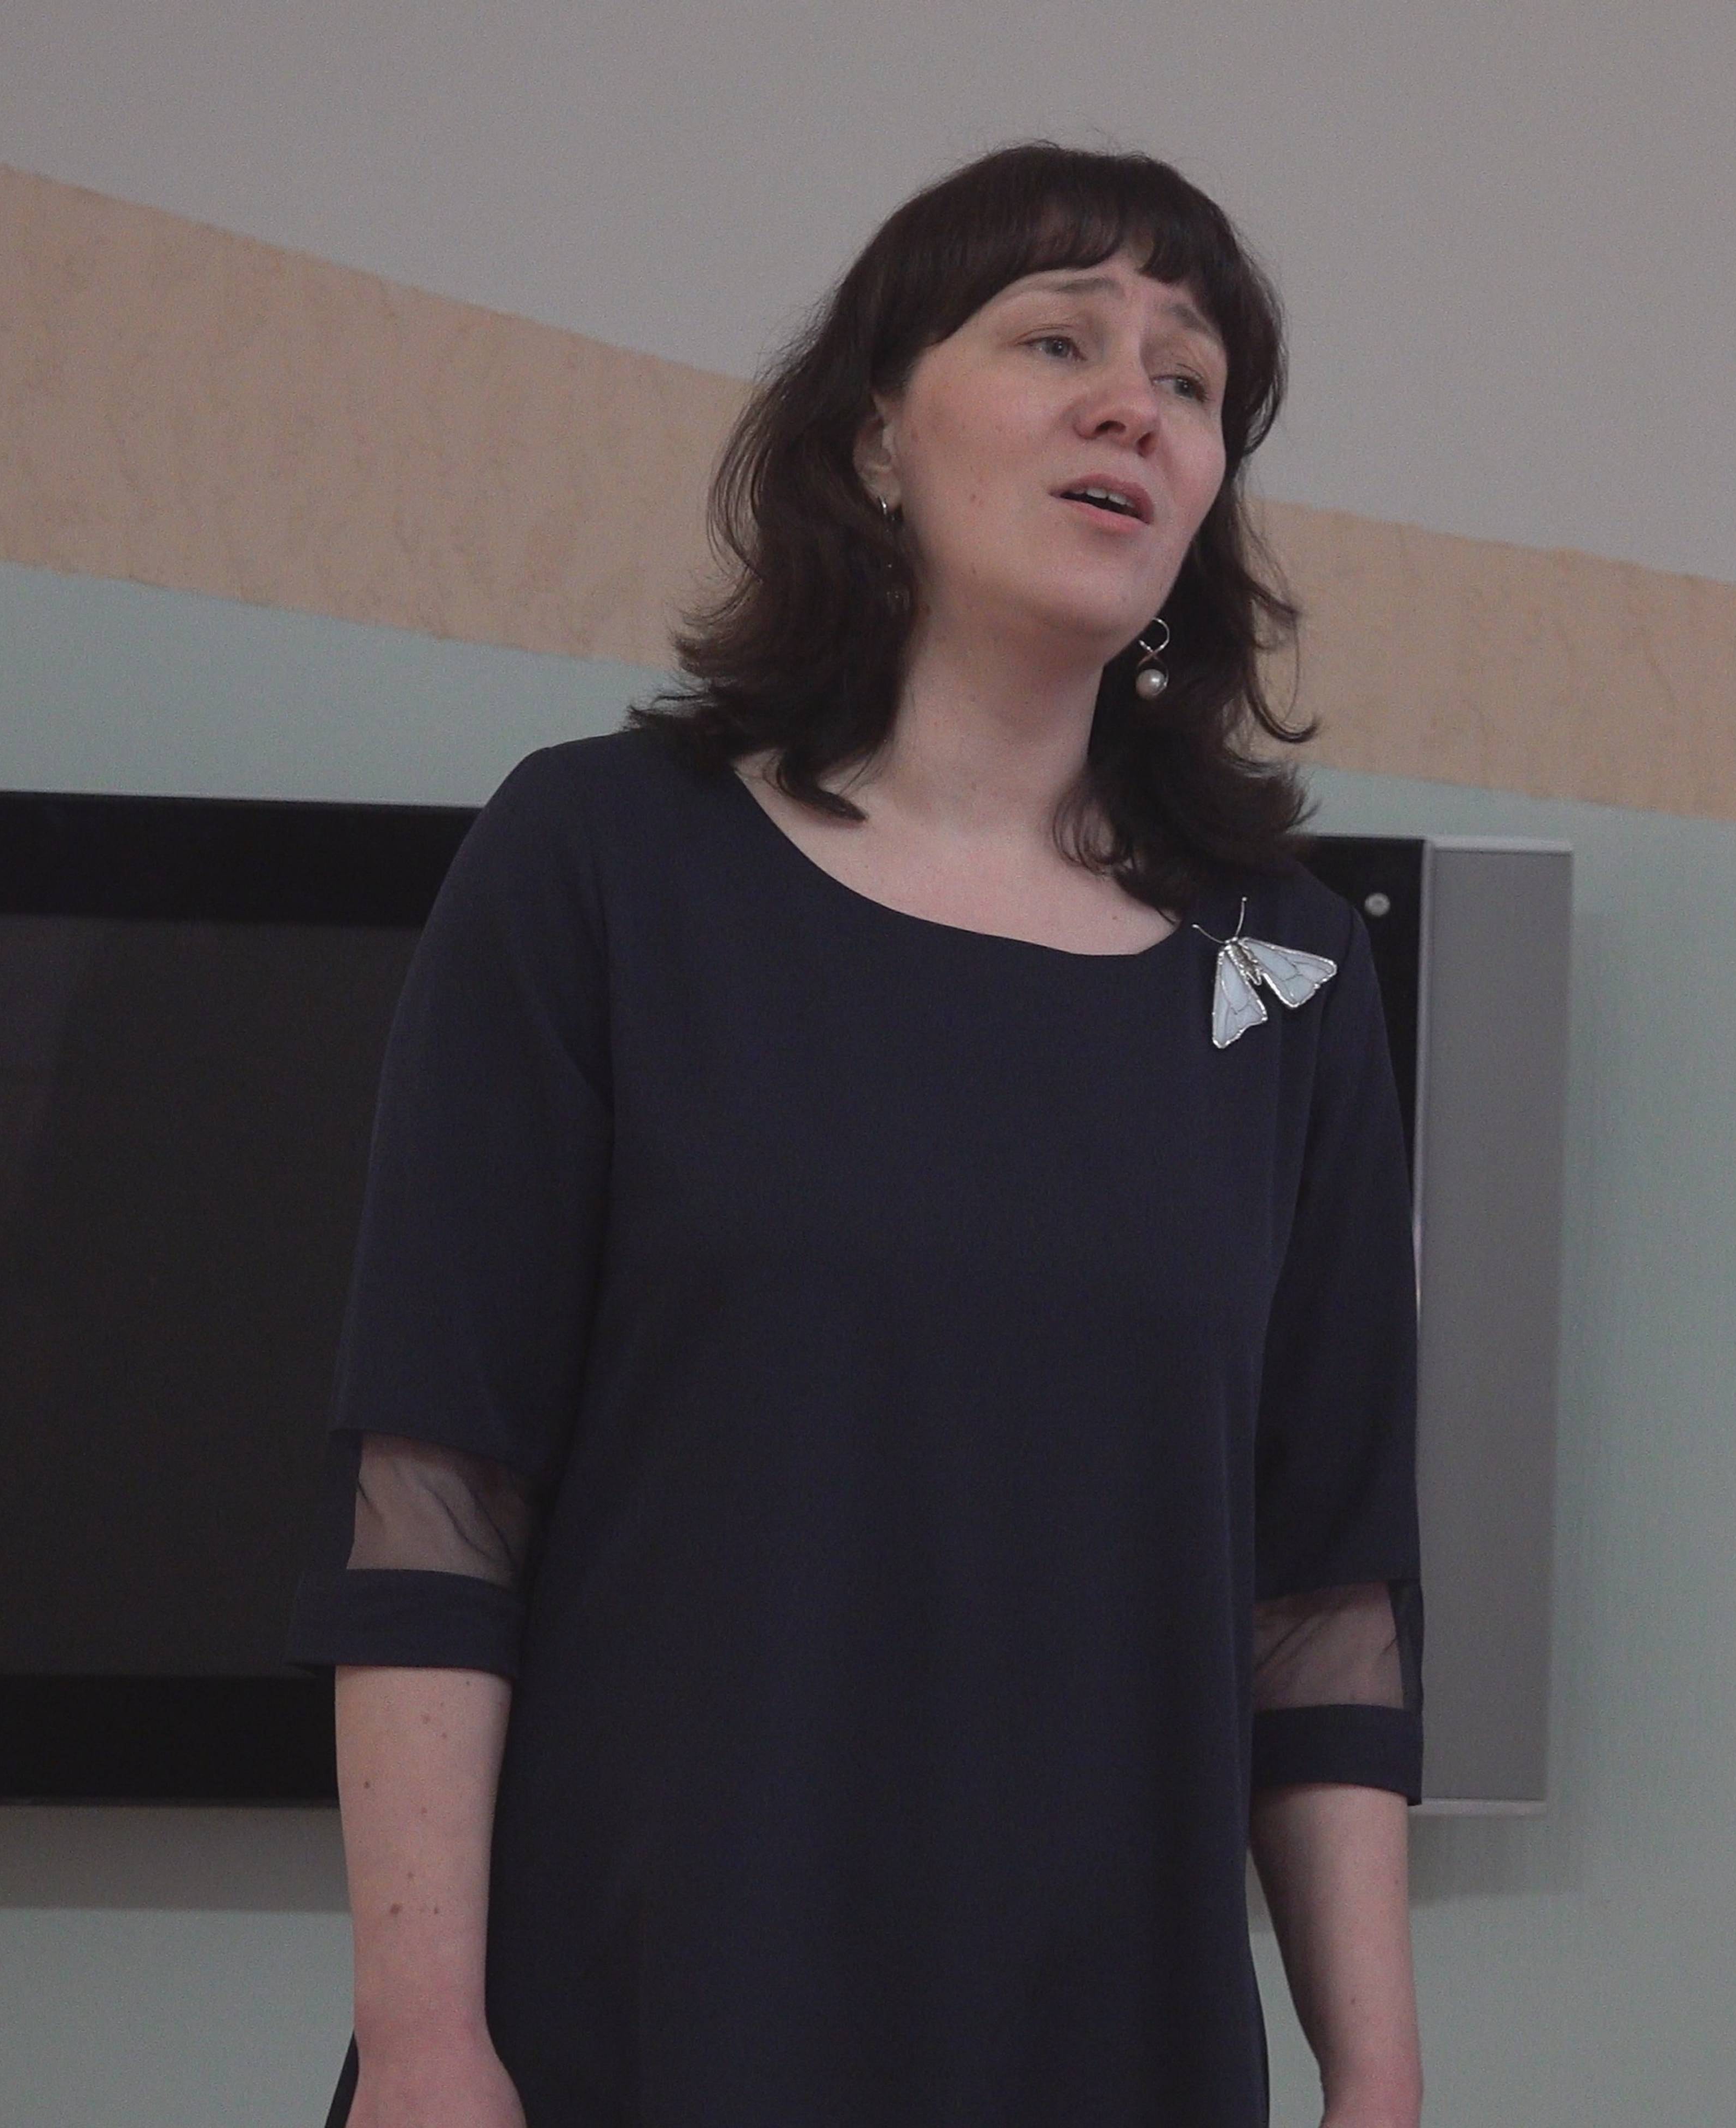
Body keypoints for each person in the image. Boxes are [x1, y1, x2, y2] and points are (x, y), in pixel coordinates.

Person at [288, 143, 1422, 2128]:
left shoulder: (1292, 970)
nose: (1132, 407)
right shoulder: (599, 861)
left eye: (1188, 381)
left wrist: (1379, 2082)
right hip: (638, 2019)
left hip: (1115, 2048)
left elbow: (1323, 1602)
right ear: (876, 437)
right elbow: (438, 1493)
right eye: (1057, 340)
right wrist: (425, 2039)